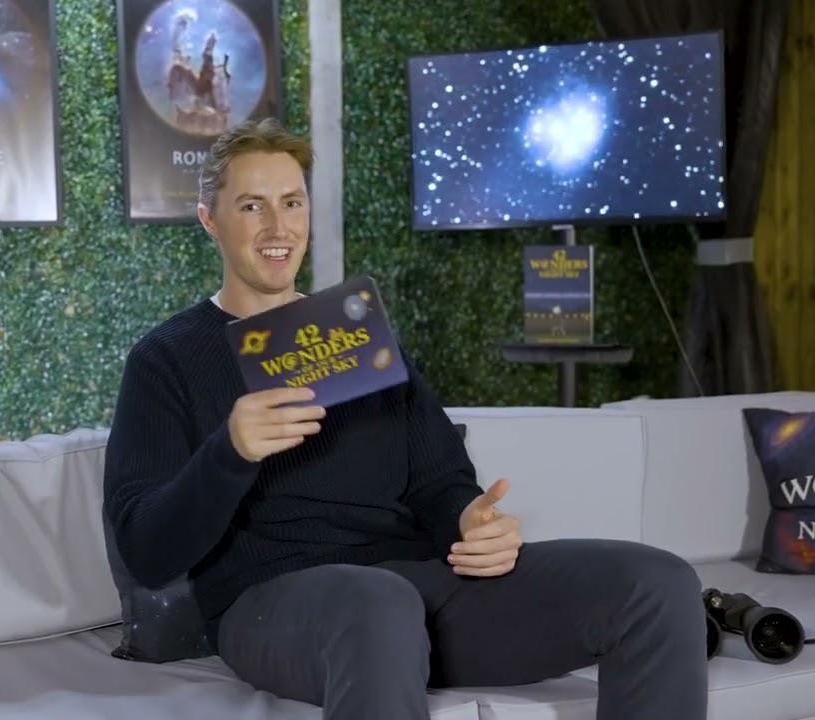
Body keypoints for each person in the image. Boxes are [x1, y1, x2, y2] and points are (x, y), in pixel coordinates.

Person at [102, 117, 708, 719]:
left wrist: (471, 521)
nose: (278, 226)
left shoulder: (356, 335)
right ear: (210, 219)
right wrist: (229, 453)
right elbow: (148, 551)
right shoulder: (167, 359)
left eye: (291, 202)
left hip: (420, 591)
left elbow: (440, 482)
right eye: (252, 206)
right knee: (379, 600)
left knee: (656, 582)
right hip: (270, 606)